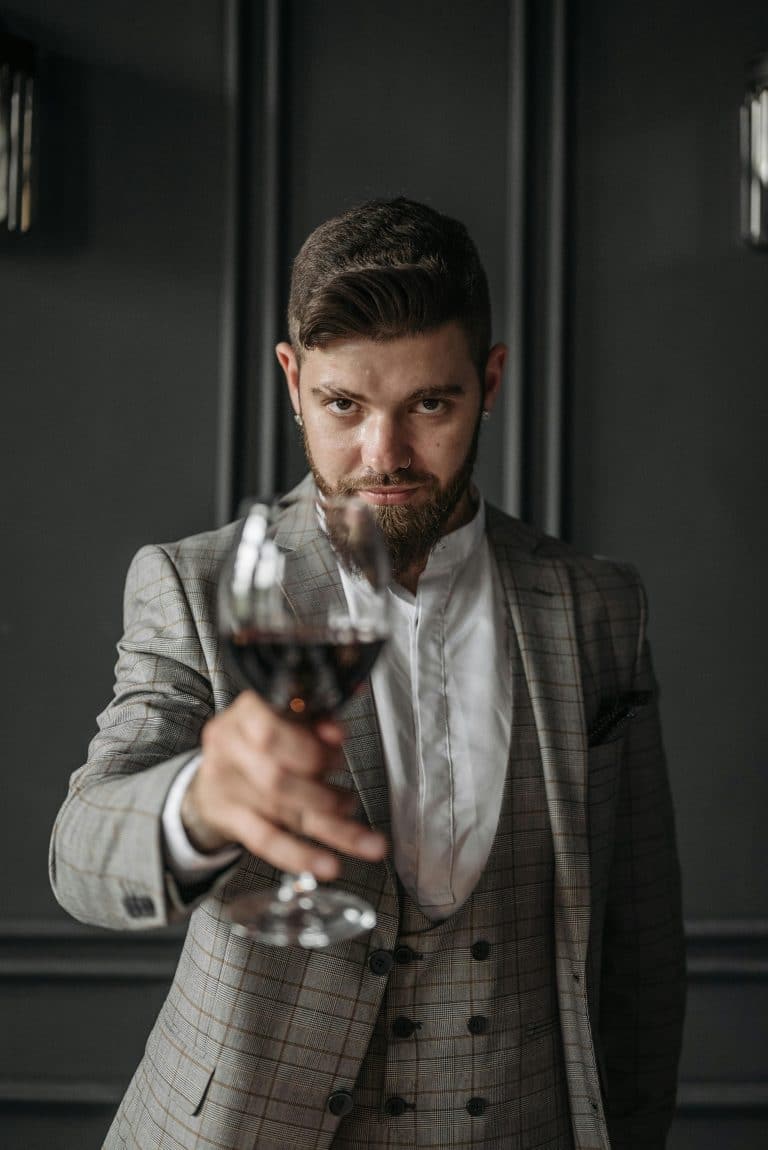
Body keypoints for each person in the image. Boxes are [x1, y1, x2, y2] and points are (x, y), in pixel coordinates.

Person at [50, 197, 685, 1150]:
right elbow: (80, 855)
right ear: (293, 380)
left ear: (491, 381)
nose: (382, 457)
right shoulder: (196, 585)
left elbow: (640, 938)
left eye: (430, 403)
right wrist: (199, 805)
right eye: (344, 405)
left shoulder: (598, 607)